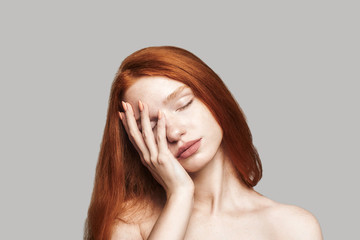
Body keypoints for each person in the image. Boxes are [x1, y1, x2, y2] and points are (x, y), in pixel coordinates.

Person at [84, 46, 323, 240]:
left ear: (214, 97)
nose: (174, 132)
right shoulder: (129, 223)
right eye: (152, 125)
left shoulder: (293, 227)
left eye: (183, 105)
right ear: (136, 140)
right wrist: (180, 194)